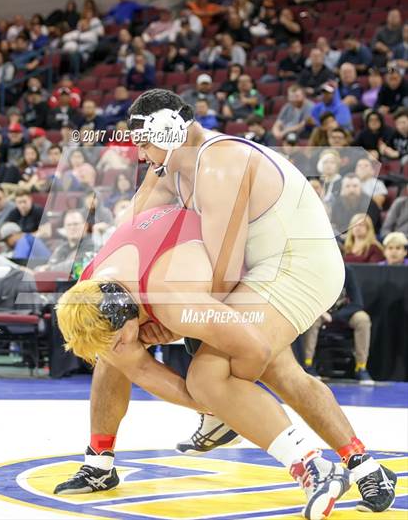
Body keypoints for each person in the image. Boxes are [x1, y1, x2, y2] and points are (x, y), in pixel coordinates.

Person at [54, 89, 396, 514]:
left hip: (297, 263)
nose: (140, 156)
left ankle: (346, 462)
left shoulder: (219, 163)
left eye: (143, 143)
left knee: (220, 374)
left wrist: (174, 320)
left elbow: (222, 273)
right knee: (114, 339)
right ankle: (99, 462)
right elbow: (133, 231)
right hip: (252, 264)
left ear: (168, 131)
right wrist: (143, 314)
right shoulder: (169, 164)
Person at [303, 264, 374, 385]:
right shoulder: (315, 269)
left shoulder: (348, 272)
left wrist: (335, 316)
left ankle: (361, 367)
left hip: (341, 313)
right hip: (319, 311)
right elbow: (306, 297)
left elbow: (357, 303)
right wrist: (321, 312)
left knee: (363, 319)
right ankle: (307, 364)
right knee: (311, 319)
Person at [36, 209, 94, 274]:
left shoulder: (92, 246)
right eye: (69, 225)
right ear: (64, 228)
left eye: (76, 224)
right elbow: (48, 266)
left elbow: (77, 267)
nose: (72, 228)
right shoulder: (61, 248)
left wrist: (50, 269)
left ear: (85, 226)